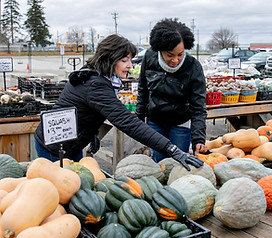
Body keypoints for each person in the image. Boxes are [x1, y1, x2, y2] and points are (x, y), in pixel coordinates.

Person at [34, 34, 203, 170]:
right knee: (63, 191)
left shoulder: (96, 76)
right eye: (124, 60)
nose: (130, 65)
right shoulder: (95, 85)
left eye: (130, 60)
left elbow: (82, 109)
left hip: (72, 143)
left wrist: (90, 132)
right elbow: (127, 122)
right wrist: (170, 148)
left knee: (75, 183)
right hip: (55, 148)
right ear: (110, 59)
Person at [135, 18, 208, 163]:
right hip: (155, 122)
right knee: (159, 163)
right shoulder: (149, 57)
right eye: (170, 55)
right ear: (160, 49)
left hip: (180, 124)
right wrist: (139, 117)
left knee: (177, 164)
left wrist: (198, 138)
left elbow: (198, 107)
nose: (175, 60)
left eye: (180, 54)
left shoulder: (193, 67)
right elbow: (143, 89)